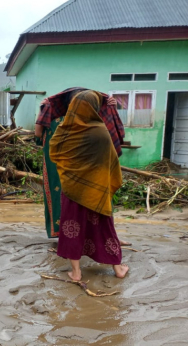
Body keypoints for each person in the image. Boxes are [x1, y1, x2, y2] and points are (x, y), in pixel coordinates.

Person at [49, 90, 129, 280]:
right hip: (97, 191)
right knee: (104, 228)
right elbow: (111, 162)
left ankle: (76, 272)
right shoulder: (100, 131)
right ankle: (117, 269)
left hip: (72, 190)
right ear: (93, 107)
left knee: (72, 229)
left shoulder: (64, 129)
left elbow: (54, 152)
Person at [34, 87, 125, 239]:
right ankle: (92, 238)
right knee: (91, 203)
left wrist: (112, 109)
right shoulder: (91, 123)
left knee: (80, 205)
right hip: (86, 174)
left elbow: (38, 134)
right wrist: (43, 111)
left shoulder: (90, 122)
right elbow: (40, 136)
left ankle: (76, 238)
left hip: (76, 173)